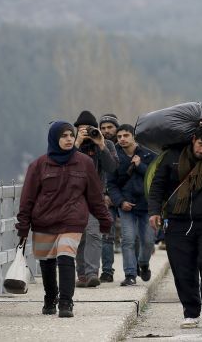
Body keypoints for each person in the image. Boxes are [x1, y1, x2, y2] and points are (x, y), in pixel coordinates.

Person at [16, 121, 112, 318]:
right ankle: (50, 297)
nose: (69, 139)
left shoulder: (84, 162)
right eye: (64, 136)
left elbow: (94, 195)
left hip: (72, 220)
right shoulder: (39, 165)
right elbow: (28, 198)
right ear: (54, 139)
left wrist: (104, 219)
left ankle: (66, 302)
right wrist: (23, 226)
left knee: (66, 257)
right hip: (44, 221)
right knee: (47, 262)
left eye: (71, 135)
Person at [148, 120, 202, 329]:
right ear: (193, 140)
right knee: (182, 270)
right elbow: (157, 185)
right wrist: (154, 211)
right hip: (177, 222)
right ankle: (191, 312)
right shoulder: (172, 156)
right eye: (200, 145)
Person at [107, 124, 157, 286]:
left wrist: (139, 165)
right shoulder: (114, 157)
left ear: (134, 136)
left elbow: (155, 178)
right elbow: (112, 184)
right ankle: (130, 274)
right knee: (127, 239)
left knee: (148, 241)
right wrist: (120, 202)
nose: (122, 139)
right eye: (120, 136)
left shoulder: (149, 154)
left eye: (126, 135)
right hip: (126, 206)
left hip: (148, 205)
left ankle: (143, 263)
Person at [73, 110, 119, 288]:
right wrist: (77, 142)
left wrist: (100, 145)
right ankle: (82, 274)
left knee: (94, 233)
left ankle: (92, 274)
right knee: (80, 236)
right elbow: (64, 164)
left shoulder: (105, 144)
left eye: (89, 129)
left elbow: (112, 167)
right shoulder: (71, 143)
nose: (86, 133)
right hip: (74, 197)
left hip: (94, 197)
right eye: (81, 129)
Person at [99, 113, 120, 283]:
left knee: (132, 237)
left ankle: (135, 266)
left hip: (126, 198)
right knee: (107, 235)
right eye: (103, 128)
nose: (106, 131)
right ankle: (107, 271)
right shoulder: (99, 147)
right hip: (106, 198)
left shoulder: (127, 146)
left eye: (110, 127)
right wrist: (106, 194)